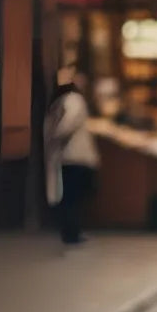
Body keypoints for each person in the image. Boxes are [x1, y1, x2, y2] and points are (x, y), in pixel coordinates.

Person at [45, 68, 99, 246]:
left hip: (68, 156)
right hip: (75, 156)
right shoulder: (74, 100)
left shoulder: (59, 101)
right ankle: (71, 232)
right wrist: (56, 135)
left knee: (71, 195)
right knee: (73, 196)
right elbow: (68, 124)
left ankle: (71, 230)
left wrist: (53, 137)